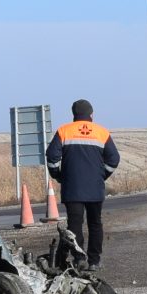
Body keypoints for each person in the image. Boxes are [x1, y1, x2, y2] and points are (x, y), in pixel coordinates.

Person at [44, 99, 119, 268]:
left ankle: (79, 259)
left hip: (72, 187)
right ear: (91, 114)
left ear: (74, 114)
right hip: (95, 187)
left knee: (74, 224)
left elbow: (52, 157)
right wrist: (102, 175)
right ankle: (94, 261)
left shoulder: (64, 131)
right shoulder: (102, 132)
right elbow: (114, 159)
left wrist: (59, 176)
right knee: (95, 223)